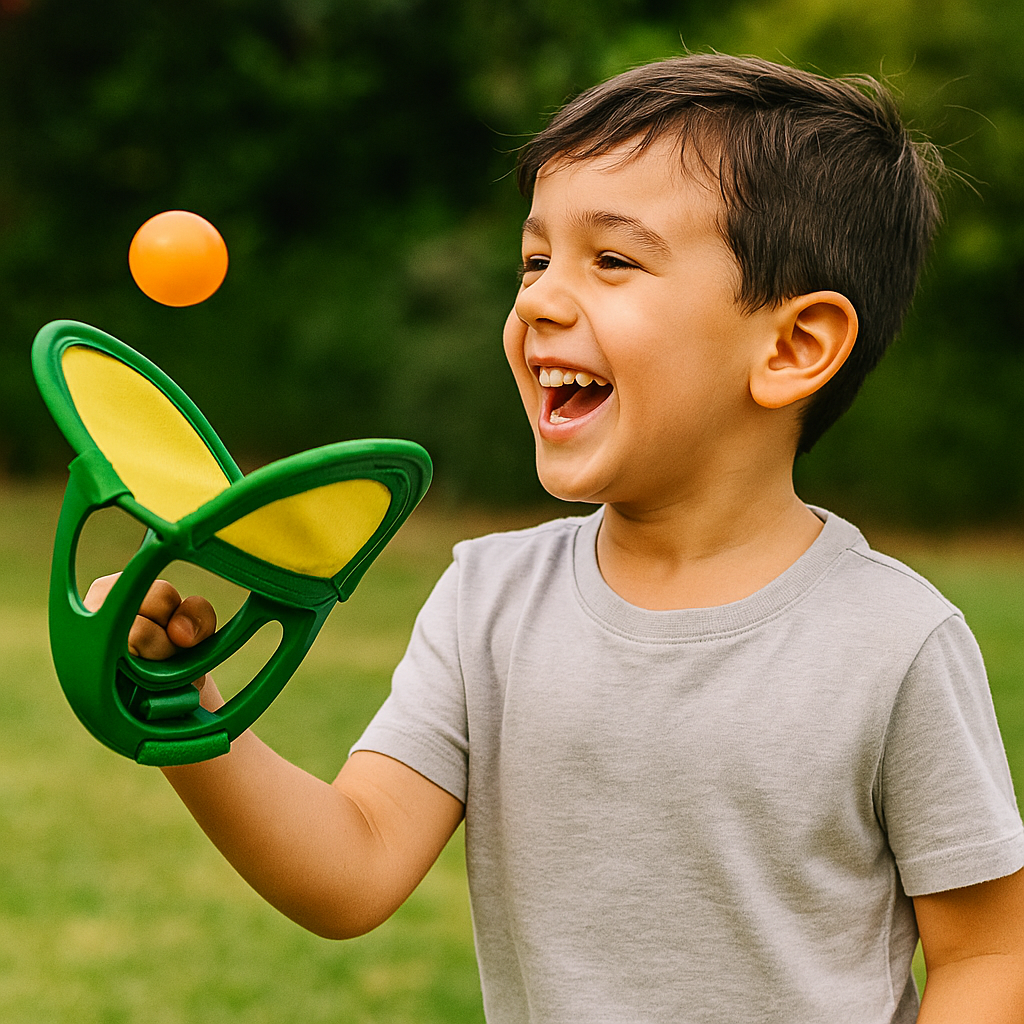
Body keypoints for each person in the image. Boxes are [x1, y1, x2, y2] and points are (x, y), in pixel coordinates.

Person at [86, 54, 1024, 1023]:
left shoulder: (893, 641)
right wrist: (187, 714)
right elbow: (353, 862)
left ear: (791, 348)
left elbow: (989, 948)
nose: (537, 299)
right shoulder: (487, 601)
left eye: (611, 260)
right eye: (534, 260)